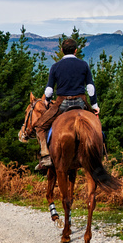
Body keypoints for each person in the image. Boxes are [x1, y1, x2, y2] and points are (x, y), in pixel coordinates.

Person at [31, 38, 100, 171]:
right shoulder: (84, 65)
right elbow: (90, 87)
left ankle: (45, 156)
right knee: (97, 127)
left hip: (62, 103)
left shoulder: (55, 67)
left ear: (62, 51)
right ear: (76, 50)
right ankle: (101, 153)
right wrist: (95, 105)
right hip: (81, 102)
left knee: (40, 126)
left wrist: (47, 100)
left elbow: (49, 90)